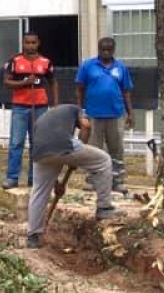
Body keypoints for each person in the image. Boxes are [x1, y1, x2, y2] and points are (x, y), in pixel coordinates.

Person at [26, 103, 121, 249]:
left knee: (39, 190)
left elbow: (48, 150)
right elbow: (86, 126)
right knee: (104, 161)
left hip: (40, 153)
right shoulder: (76, 109)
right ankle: (104, 207)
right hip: (63, 146)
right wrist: (78, 152)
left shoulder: (45, 118)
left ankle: (33, 236)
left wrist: (56, 183)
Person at [75, 37, 134, 192]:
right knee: (94, 149)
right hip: (94, 114)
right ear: (98, 49)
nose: (106, 52)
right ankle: (92, 180)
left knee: (116, 149)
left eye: (109, 49)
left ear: (113, 50)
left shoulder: (121, 67)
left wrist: (130, 113)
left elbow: (126, 91)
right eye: (103, 49)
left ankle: (117, 180)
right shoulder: (88, 66)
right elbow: (79, 90)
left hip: (116, 114)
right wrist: (81, 111)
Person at [2, 32, 58, 190]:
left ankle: (34, 178)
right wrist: (25, 82)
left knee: (38, 143)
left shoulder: (45, 62)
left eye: (33, 42)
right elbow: (6, 82)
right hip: (20, 107)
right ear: (23, 43)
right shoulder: (14, 61)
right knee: (16, 143)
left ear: (38, 43)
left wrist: (55, 103)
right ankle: (12, 178)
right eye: (27, 42)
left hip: (40, 107)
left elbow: (53, 82)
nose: (30, 45)